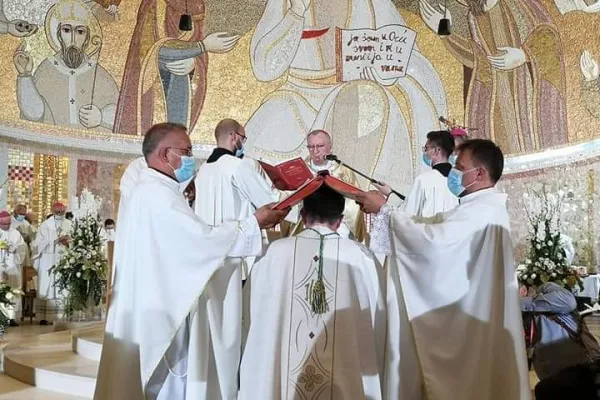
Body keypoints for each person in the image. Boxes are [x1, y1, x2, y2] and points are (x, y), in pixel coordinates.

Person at [94, 123, 289, 400]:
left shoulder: (154, 189)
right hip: (163, 311)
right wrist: (254, 223)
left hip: (157, 301)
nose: (190, 159)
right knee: (169, 384)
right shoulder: (157, 195)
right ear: (165, 154)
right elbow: (200, 242)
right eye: (185, 152)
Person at [358, 139, 530, 399]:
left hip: (466, 325)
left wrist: (385, 212)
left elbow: (433, 245)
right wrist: (389, 213)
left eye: (460, 167)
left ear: (479, 173)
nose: (454, 173)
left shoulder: (483, 211)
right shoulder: (479, 208)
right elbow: (432, 225)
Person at [239, 185, 387, 399]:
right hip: (346, 374)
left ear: (302, 215)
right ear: (340, 220)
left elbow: (251, 314)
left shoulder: (273, 253)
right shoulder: (362, 256)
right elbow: (379, 316)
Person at [194, 119, 297, 279]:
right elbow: (271, 202)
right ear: (234, 136)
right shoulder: (237, 166)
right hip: (235, 249)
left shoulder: (203, 170)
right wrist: (300, 193)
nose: (243, 143)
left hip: (209, 251)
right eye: (243, 138)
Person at [13, 0, 119, 131]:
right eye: (67, 30)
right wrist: (25, 76)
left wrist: (101, 117)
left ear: (87, 38)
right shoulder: (47, 69)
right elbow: (34, 115)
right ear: (59, 35)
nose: (73, 39)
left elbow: (122, 113)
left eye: (80, 31)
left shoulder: (98, 73)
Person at [287, 130, 366, 241]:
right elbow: (288, 201)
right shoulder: (299, 171)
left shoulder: (343, 171)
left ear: (330, 147)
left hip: (336, 223)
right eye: (311, 147)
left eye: (320, 146)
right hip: (307, 223)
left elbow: (355, 203)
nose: (315, 151)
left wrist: (340, 222)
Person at [375, 130, 457, 218]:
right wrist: (392, 192)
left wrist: (390, 194)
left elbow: (407, 217)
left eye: (426, 149)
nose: (425, 153)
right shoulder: (459, 182)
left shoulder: (424, 180)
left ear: (436, 151)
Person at [32, 201, 73, 325]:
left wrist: (68, 243)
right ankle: (45, 317)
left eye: (62, 212)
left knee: (63, 286)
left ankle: (62, 315)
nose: (60, 214)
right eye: (57, 212)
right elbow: (37, 244)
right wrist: (55, 241)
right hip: (48, 260)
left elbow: (75, 240)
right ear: (52, 211)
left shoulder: (69, 224)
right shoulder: (45, 225)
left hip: (64, 258)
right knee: (48, 285)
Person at [0, 211, 27, 326]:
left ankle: (11, 317)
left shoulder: (15, 233)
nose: (6, 226)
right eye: (3, 224)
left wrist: (13, 248)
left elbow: (23, 248)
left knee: (14, 290)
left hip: (13, 266)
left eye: (8, 223)